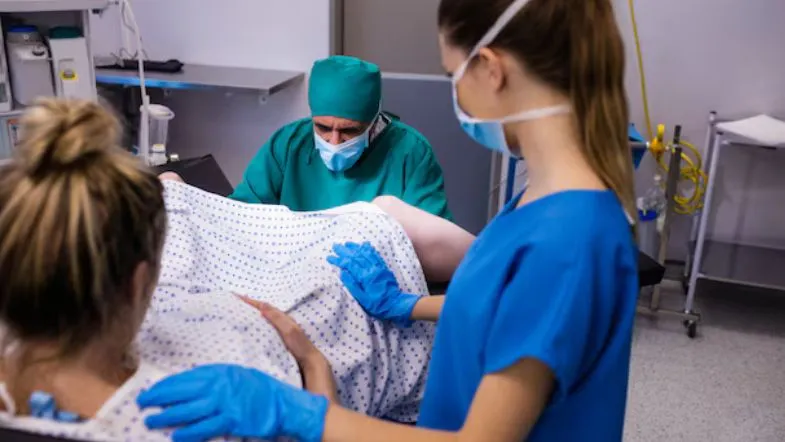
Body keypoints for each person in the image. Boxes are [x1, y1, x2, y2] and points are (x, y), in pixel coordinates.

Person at [137, 0, 640, 441]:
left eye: (452, 75)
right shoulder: (544, 203)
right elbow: (511, 307)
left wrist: (303, 413)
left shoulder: (565, 243)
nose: (456, 94)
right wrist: (398, 311)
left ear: (490, 69)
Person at [0, 98, 435, 441]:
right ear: (139, 281)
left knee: (172, 187)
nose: (335, 140)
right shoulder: (194, 420)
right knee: (370, 226)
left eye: (348, 131)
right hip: (290, 319)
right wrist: (315, 369)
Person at [229, 55, 453, 220]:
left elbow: (433, 238)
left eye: (350, 131)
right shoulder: (288, 144)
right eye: (323, 127)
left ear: (374, 121)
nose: (334, 142)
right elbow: (241, 215)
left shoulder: (411, 153)